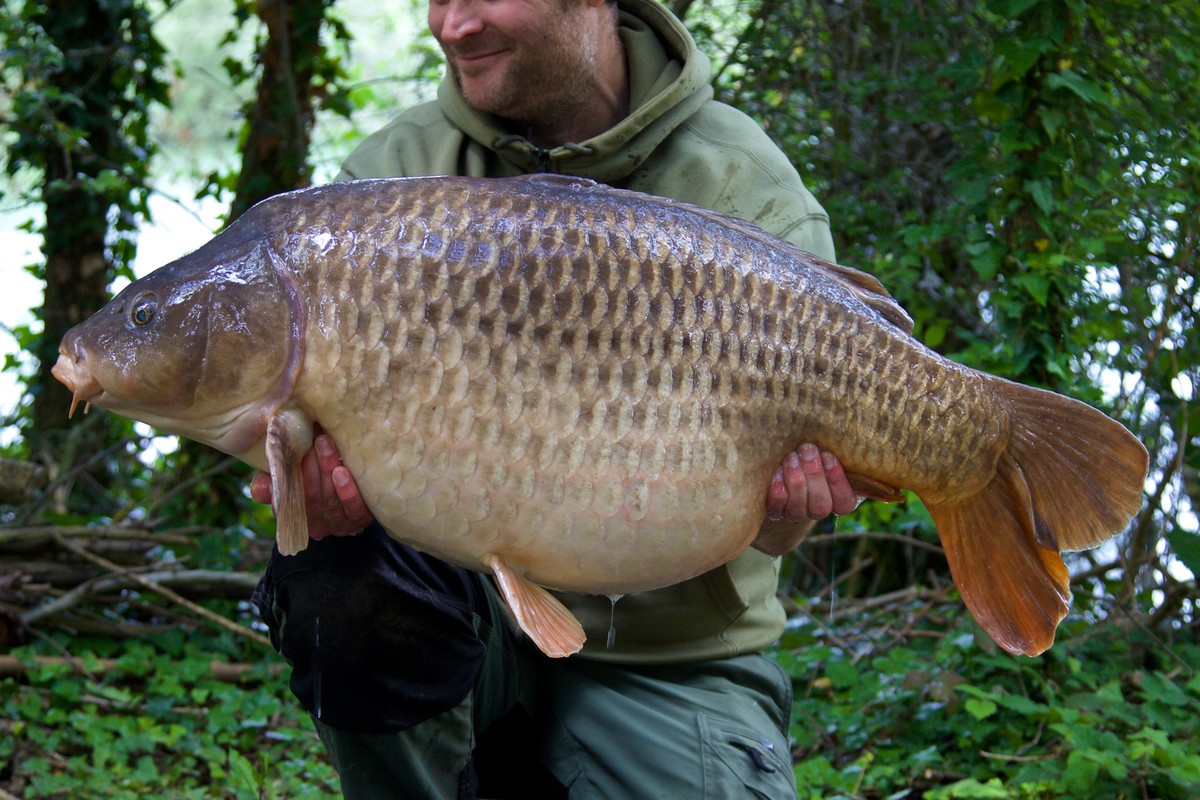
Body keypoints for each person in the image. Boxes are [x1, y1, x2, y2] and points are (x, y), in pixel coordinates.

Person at [249, 1, 860, 797]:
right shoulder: (392, 182)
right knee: (339, 578)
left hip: (662, 657)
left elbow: (784, 532)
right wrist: (321, 506)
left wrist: (795, 504)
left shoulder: (744, 188)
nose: (452, 24)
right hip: (457, 628)